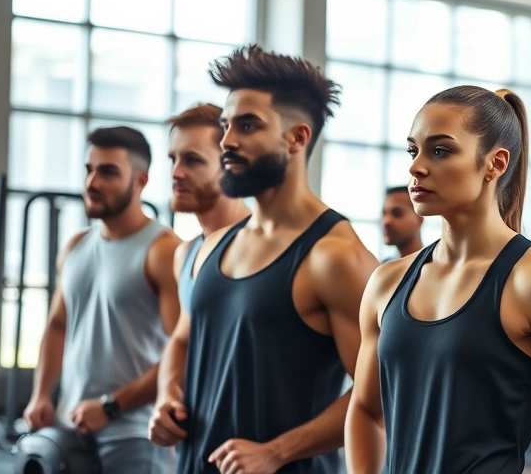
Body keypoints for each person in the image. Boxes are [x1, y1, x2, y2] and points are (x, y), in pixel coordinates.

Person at [345, 86, 531, 474]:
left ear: (495, 163)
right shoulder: (386, 282)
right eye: (413, 151)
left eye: (440, 151)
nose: (416, 167)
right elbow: (366, 411)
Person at [148, 45, 379, 474]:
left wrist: (277, 451)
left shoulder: (336, 257)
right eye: (225, 125)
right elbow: (182, 339)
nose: (227, 141)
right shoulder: (215, 246)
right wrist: (167, 395)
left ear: (297, 137)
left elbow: (380, 395)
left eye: (247, 125)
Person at [24, 126, 181, 474]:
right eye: (89, 170)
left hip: (134, 435)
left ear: (140, 181)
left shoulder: (164, 251)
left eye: (108, 172)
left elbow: (182, 353)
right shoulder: (76, 247)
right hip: (70, 428)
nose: (92, 182)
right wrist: (41, 395)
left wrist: (111, 406)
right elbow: (56, 325)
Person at [165, 103, 251, 314]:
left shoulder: (260, 248)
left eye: (192, 160)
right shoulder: (185, 255)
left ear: (230, 165)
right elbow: (185, 339)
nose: (176, 173)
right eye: (173, 159)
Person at [381, 185, 423, 261]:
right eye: (384, 214)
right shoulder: (383, 266)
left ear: (419, 219)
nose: (386, 221)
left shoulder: (434, 266)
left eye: (397, 213)